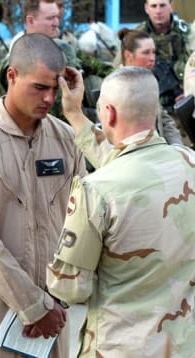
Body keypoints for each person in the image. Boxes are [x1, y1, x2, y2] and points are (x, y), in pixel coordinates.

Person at [0, 33, 86, 358]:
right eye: (39, 87)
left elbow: (84, 219)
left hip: (54, 311)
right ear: (12, 76)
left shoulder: (67, 139)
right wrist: (32, 305)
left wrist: (55, 301)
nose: (49, 97)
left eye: (55, 88)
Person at [47, 66, 195, 356]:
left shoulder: (95, 190)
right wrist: (75, 116)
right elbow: (127, 163)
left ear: (109, 114)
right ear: (154, 109)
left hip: (119, 346)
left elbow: (69, 287)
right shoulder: (188, 161)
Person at [0, 0, 112, 121]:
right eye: (50, 18)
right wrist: (98, 116)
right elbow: (54, 112)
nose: (56, 23)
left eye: (57, 17)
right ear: (30, 21)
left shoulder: (64, 48)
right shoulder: (18, 58)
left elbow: (103, 69)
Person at [118, 28, 182, 145]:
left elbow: (165, 122)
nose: (152, 58)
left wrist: (177, 148)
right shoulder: (116, 88)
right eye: (146, 52)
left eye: (153, 52)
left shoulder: (147, 81)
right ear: (128, 55)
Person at [134, 0, 191, 111]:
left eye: (162, 5)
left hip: (184, 102)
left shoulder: (188, 33)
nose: (158, 11)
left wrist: (190, 92)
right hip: (147, 104)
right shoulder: (136, 36)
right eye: (154, 6)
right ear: (146, 8)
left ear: (171, 6)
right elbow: (121, 71)